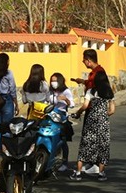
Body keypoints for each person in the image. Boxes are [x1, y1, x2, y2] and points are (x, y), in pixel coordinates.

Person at [71, 48, 113, 181]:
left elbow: (84, 104)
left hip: (91, 115)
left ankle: (78, 172)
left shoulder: (94, 80)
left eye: (84, 60)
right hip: (103, 119)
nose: (83, 62)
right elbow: (111, 110)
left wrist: (78, 113)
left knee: (86, 142)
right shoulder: (107, 91)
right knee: (103, 143)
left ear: (89, 60)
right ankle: (100, 172)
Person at [0, 53, 18, 161]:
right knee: (7, 126)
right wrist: (16, 103)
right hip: (7, 100)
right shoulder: (8, 73)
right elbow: (12, 89)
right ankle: (6, 150)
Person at [48, 72, 76, 171]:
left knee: (62, 140)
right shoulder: (50, 91)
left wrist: (66, 100)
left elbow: (72, 104)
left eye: (55, 81)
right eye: (52, 80)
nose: (53, 83)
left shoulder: (66, 91)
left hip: (61, 116)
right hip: (50, 115)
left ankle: (64, 162)